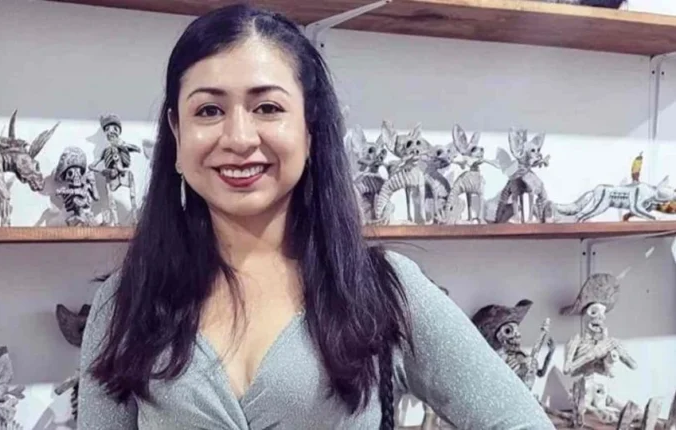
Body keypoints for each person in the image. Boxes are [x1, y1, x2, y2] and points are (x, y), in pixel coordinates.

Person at [78, 4, 556, 429]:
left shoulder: (382, 290)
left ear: (309, 128)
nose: (239, 137)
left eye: (267, 107)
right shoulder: (124, 302)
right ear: (176, 133)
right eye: (208, 110)